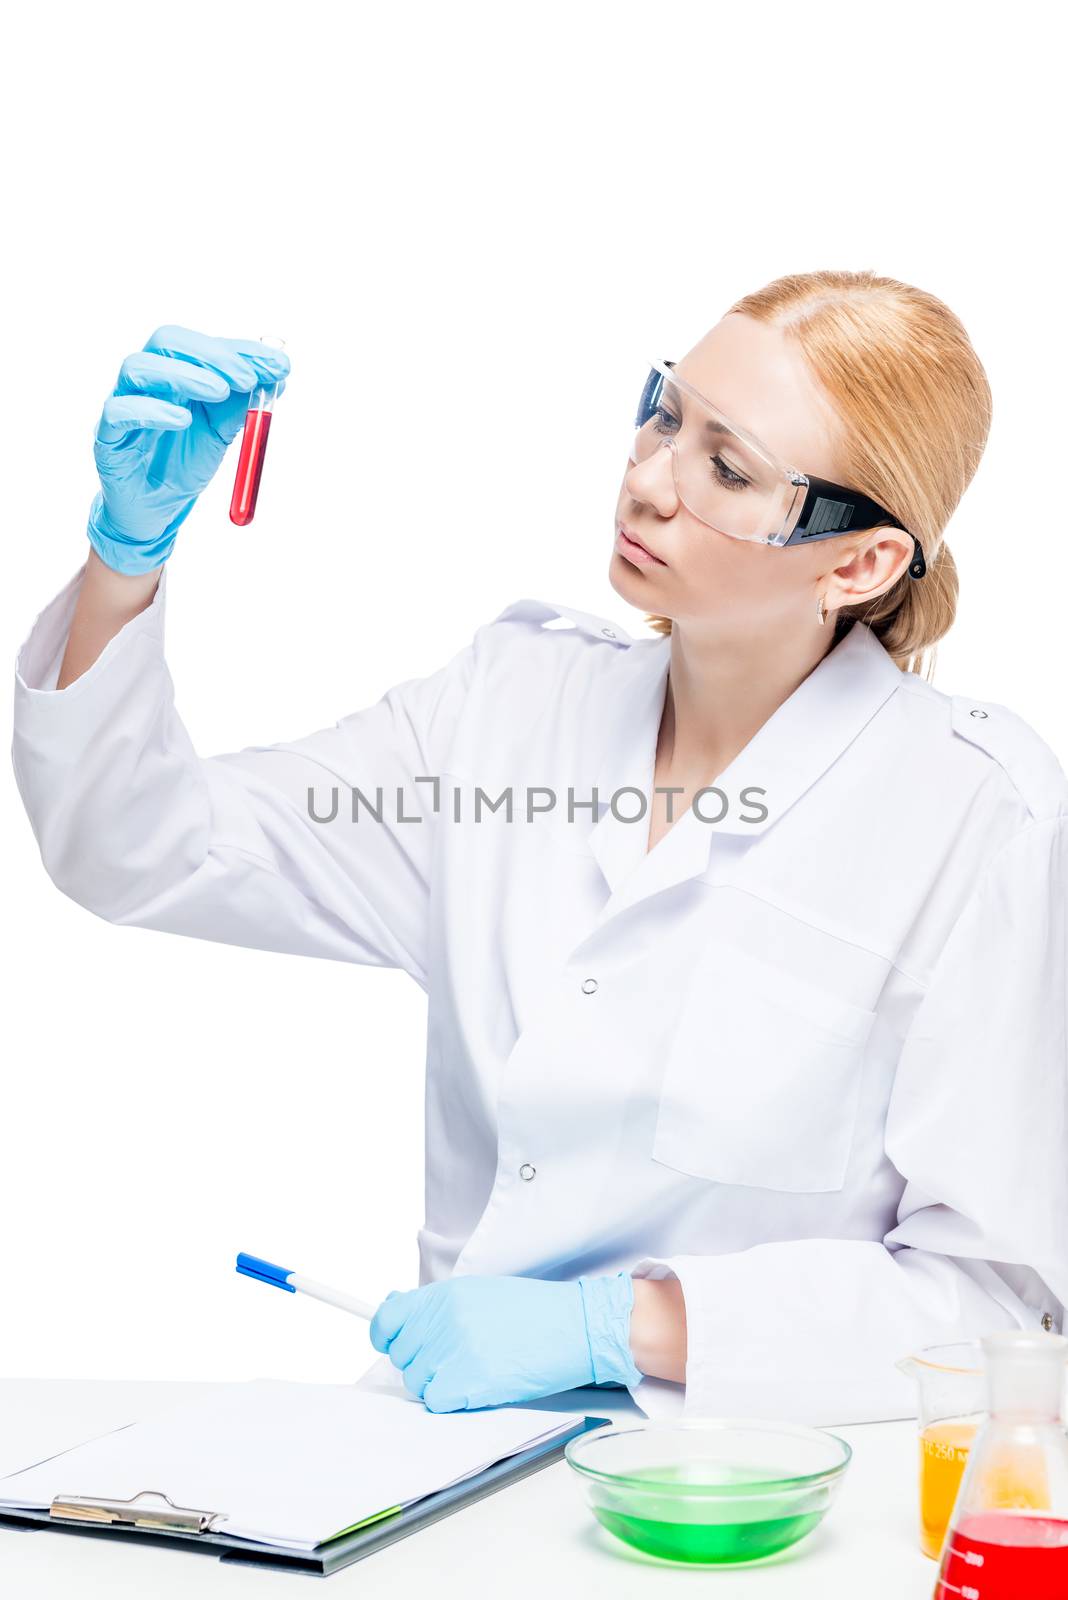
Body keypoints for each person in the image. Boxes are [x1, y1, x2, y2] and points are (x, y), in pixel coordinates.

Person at [12, 271, 1068, 1424]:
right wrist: (126, 553)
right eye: (666, 413)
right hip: (441, 1453)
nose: (651, 479)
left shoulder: (979, 821)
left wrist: (618, 1326)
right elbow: (140, 845)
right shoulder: (507, 712)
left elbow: (993, 1305)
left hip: (753, 1489)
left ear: (859, 563)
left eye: (728, 467)